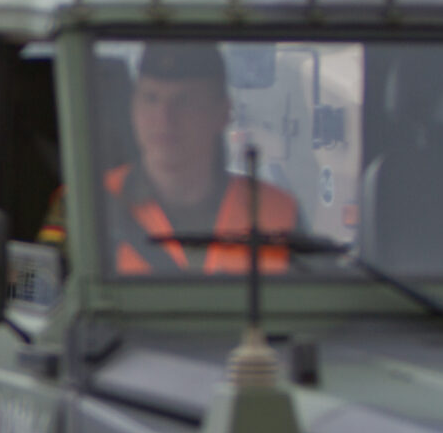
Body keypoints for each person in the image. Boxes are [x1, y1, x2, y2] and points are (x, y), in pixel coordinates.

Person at [41, 43, 297, 274]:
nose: (164, 119)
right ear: (133, 108)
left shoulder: (277, 212)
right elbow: (30, 298)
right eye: (151, 99)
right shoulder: (80, 205)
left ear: (222, 112)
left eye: (184, 101)